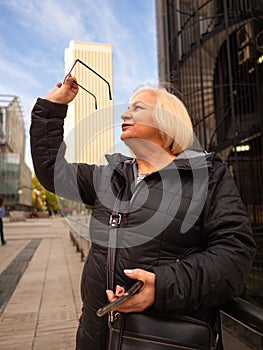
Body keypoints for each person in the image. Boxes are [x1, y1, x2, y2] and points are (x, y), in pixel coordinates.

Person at [30, 75, 256, 350]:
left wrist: (161, 288)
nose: (125, 113)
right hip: (96, 335)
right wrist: (51, 108)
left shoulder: (208, 177)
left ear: (166, 121)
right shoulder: (108, 177)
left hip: (161, 339)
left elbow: (235, 255)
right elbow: (53, 173)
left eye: (137, 108)